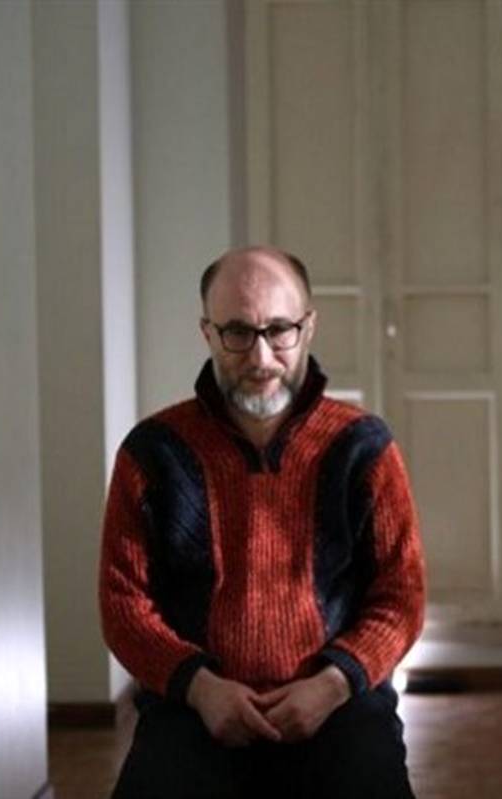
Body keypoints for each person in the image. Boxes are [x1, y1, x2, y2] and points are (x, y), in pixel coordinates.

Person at [99, 246, 425, 798]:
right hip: (193, 707)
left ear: (308, 327)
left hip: (338, 703)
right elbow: (122, 604)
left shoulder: (363, 447)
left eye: (279, 330)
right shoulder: (152, 453)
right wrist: (201, 688)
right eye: (237, 332)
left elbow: (402, 596)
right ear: (207, 333)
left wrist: (333, 683)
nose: (261, 357)